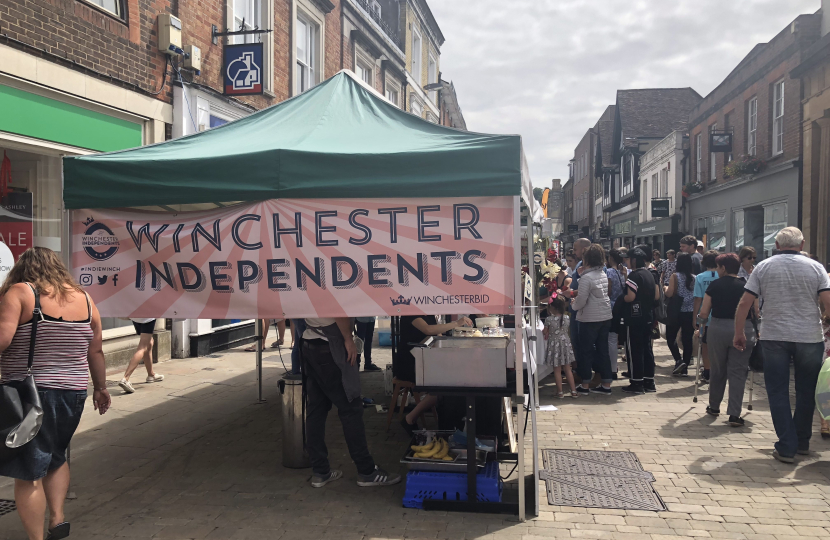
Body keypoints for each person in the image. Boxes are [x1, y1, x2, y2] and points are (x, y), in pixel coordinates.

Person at [0, 247, 111, 540]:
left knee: (29, 469)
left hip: (30, 395)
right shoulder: (86, 299)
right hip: (74, 392)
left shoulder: (20, 292)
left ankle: (37, 538)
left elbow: (2, 338)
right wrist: (100, 388)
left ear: (22, 269)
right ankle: (57, 520)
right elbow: (96, 350)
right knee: (56, 456)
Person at [733, 227, 830, 464]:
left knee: (777, 391)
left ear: (776, 245)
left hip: (774, 335)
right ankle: (803, 441)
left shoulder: (764, 267)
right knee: (806, 390)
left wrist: (739, 333)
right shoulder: (816, 267)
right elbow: (828, 301)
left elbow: (746, 301)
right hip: (809, 336)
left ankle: (787, 445)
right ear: (802, 243)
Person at [302, 317, 400, 487]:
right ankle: (366, 471)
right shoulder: (330, 288)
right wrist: (348, 339)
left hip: (309, 342)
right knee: (351, 409)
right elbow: (337, 309)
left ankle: (320, 471)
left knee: (316, 409)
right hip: (331, 345)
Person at [698, 253, 755, 426]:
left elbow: (704, 312)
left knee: (718, 368)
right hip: (743, 328)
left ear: (723, 268)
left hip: (718, 328)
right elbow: (756, 310)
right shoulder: (746, 285)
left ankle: (714, 406)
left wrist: (700, 326)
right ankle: (734, 414)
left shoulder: (715, 285)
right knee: (738, 371)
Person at [398, 315, 473, 435]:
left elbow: (438, 336)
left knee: (454, 378)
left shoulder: (429, 314)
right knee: (445, 385)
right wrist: (456, 323)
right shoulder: (411, 312)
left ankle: (448, 419)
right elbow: (428, 330)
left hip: (426, 360)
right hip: (410, 363)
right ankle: (410, 418)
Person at [570, 244, 613, 395]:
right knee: (603, 350)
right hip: (605, 316)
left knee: (586, 351)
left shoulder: (586, 278)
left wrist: (573, 306)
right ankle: (606, 384)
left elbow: (581, 300)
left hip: (589, 318)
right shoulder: (601, 274)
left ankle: (585, 384)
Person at [621, 245, 659, 394]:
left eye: (628, 259)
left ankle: (636, 382)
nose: (626, 262)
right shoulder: (651, 274)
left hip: (635, 318)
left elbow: (630, 297)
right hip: (648, 316)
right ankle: (649, 381)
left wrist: (621, 298)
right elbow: (656, 296)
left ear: (634, 260)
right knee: (647, 349)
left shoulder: (634, 276)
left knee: (634, 350)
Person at [665, 253, 696, 376]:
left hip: (676, 311)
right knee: (687, 339)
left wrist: (665, 288)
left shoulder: (675, 276)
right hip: (690, 311)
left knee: (670, 337)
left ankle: (678, 360)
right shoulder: (695, 277)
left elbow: (670, 293)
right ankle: (685, 366)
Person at [692, 251, 719, 383]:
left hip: (705, 316)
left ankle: (707, 371)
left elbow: (698, 298)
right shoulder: (722, 276)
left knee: (705, 345)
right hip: (720, 315)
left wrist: (694, 317)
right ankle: (717, 370)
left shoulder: (700, 277)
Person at [543, 294, 577, 398]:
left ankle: (560, 392)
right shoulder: (567, 317)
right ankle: (574, 391)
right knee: (568, 369)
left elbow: (545, 332)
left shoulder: (549, 319)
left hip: (554, 345)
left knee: (557, 369)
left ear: (552, 308)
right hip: (565, 344)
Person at [118, 318, 164, 393]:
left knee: (149, 342)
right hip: (148, 317)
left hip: (136, 317)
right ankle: (125, 379)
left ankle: (151, 375)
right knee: (142, 347)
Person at [606, 249, 627, 377]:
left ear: (611, 259)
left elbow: (608, 292)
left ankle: (613, 368)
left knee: (612, 339)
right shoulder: (625, 272)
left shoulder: (609, 272)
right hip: (623, 306)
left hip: (611, 306)